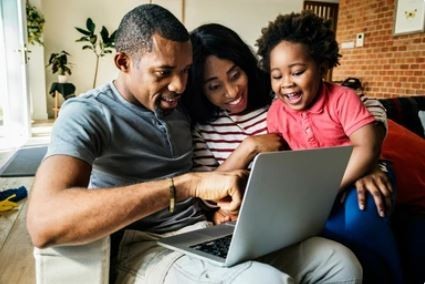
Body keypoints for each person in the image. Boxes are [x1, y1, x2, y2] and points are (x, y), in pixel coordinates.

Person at [26, 4, 363, 284]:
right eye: (164, 72)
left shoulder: (181, 105)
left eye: (186, 71)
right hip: (146, 245)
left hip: (205, 233)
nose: (178, 85)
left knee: (340, 264)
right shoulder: (88, 113)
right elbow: (44, 222)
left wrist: (372, 158)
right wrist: (186, 185)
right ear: (123, 63)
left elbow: (323, 103)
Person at [182, 22, 400, 283]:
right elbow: (206, 195)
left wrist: (364, 163)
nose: (231, 91)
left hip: (312, 196)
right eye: (214, 86)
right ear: (200, 89)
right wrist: (249, 147)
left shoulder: (280, 100)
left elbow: (369, 109)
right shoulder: (205, 129)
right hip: (269, 219)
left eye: (235, 74)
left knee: (356, 225)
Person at [256, 12, 402, 283]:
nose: (286, 82)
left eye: (297, 72)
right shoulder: (276, 112)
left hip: (363, 174)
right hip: (319, 189)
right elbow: (282, 160)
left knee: (361, 218)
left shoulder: (343, 99)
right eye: (277, 76)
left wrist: (326, 188)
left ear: (322, 66)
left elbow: (367, 148)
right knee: (324, 229)